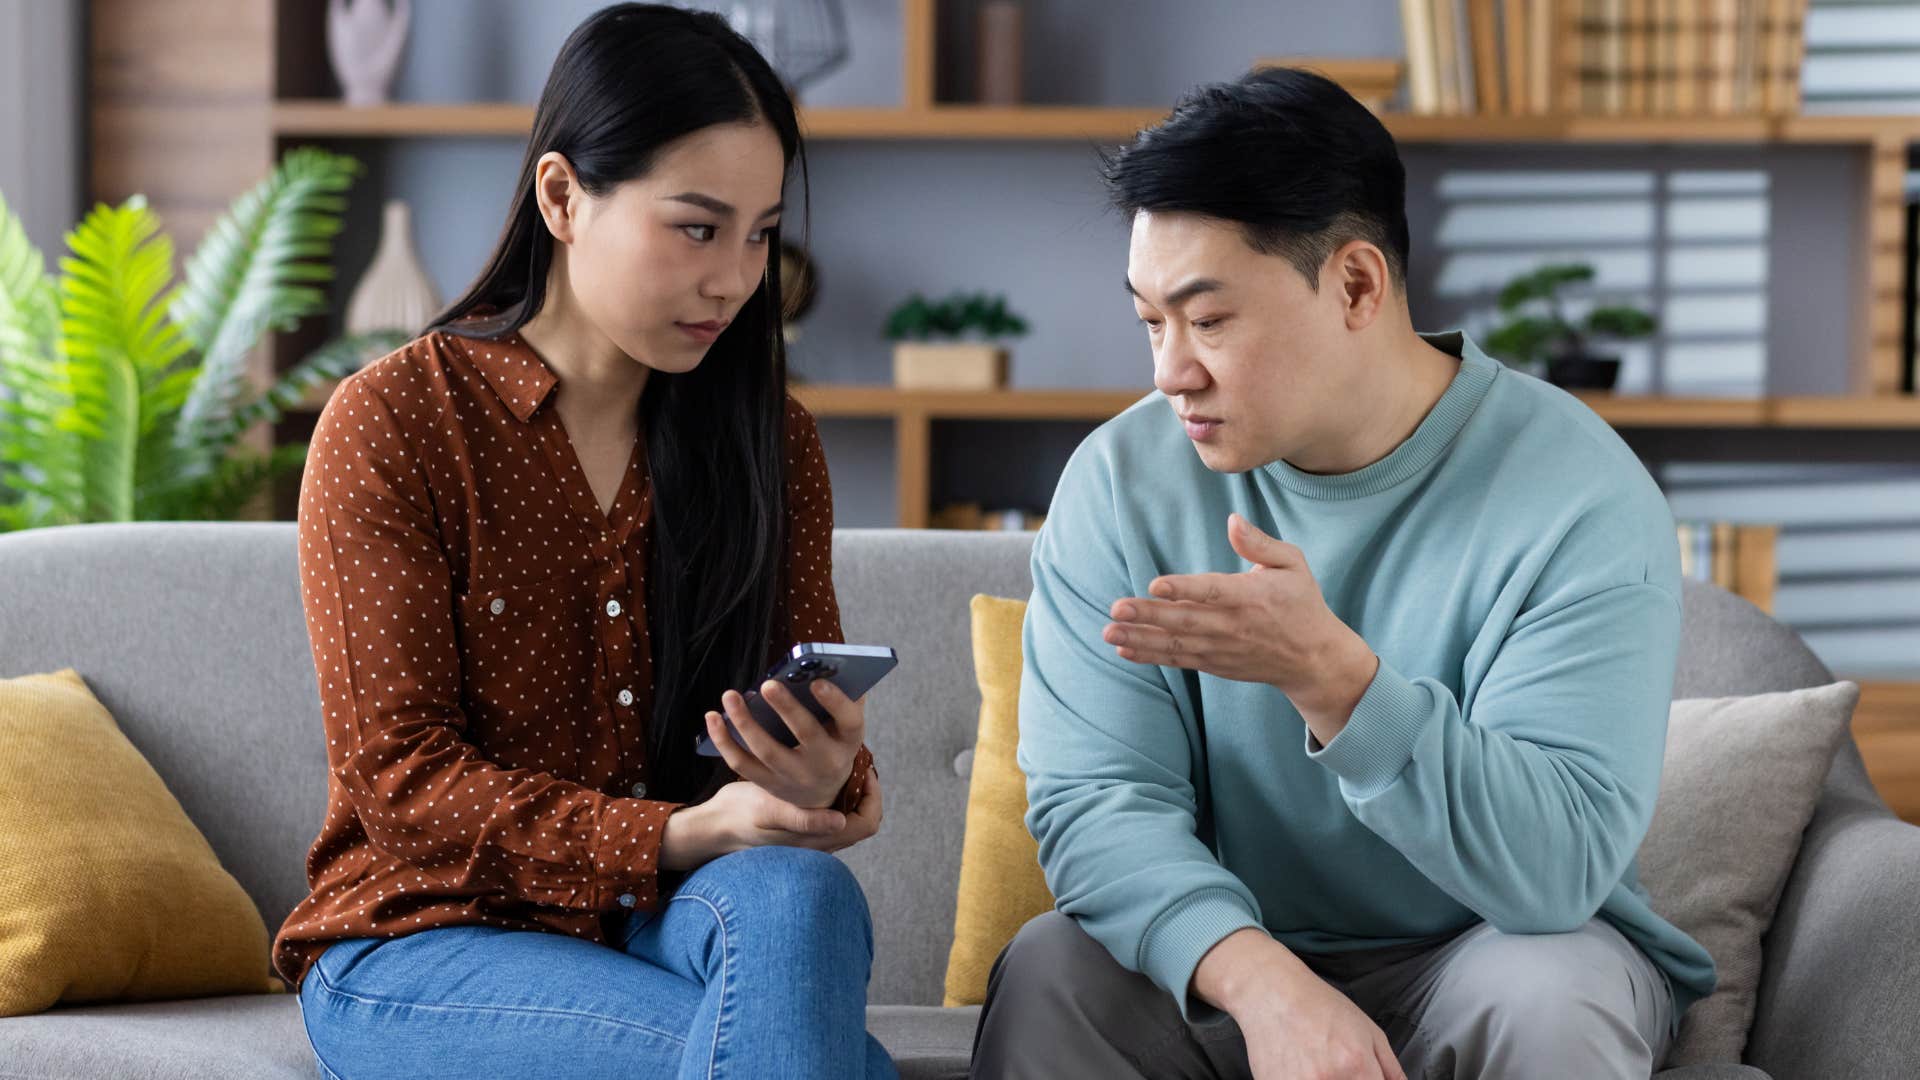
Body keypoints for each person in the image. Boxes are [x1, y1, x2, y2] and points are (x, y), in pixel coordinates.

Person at [971, 67, 1715, 1080]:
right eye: (1153, 321)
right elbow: (1100, 804)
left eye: (1210, 319)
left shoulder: (1576, 494)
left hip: (1492, 950)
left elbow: (1556, 874)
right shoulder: (1122, 482)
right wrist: (1265, 985)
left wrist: (1336, 681)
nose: (1169, 372)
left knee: (1555, 989)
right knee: (1054, 964)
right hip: (1232, 968)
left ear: (1358, 284)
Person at [274, 6, 895, 1078]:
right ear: (562, 197)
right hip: (418, 937)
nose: (736, 279)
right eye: (697, 228)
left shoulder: (768, 438)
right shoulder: (397, 422)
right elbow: (401, 783)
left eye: (759, 234)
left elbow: (786, 726)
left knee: (802, 894)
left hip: (658, 915)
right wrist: (669, 837)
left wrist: (822, 773)